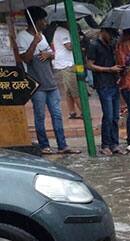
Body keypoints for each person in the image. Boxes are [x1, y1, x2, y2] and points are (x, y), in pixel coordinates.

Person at [16, 7, 77, 154]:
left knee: (57, 114)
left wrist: (48, 54)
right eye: (43, 20)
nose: (45, 22)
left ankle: (62, 145)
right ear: (36, 21)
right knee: (40, 115)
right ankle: (44, 145)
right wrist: (34, 43)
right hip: (36, 84)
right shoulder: (22, 37)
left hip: (50, 81)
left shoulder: (42, 35)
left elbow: (52, 53)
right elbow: (25, 58)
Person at [85, 27, 123, 156]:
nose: (112, 37)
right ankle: (105, 145)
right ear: (103, 32)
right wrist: (108, 69)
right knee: (108, 115)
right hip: (103, 84)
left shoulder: (111, 45)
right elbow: (89, 65)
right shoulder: (94, 45)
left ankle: (115, 144)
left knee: (115, 116)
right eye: (111, 34)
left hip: (114, 83)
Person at [51, 21, 81, 120]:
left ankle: (72, 111)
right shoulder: (63, 31)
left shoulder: (60, 31)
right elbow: (69, 46)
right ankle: (84, 112)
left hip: (65, 64)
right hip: (67, 64)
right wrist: (78, 39)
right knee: (75, 89)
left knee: (68, 90)